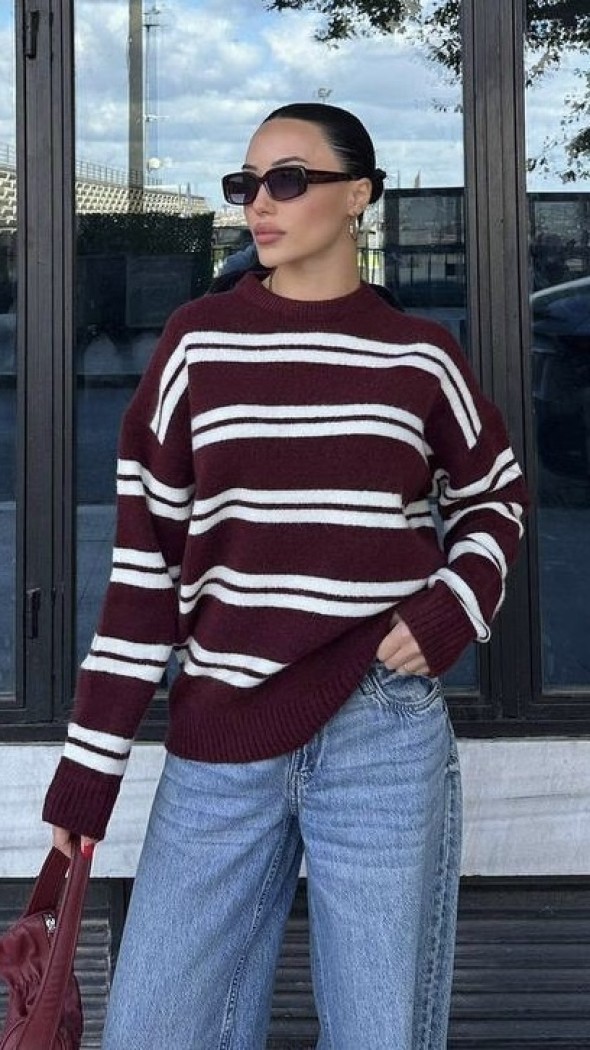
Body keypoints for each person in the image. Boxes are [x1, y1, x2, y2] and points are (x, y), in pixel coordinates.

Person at [43, 102, 528, 1049]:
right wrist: (87, 772)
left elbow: (495, 500)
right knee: (156, 1029)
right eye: (246, 184)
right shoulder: (197, 345)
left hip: (380, 728)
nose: (258, 203)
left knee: (379, 1032)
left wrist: (450, 610)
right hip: (221, 729)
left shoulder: (421, 356)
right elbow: (144, 574)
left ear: (358, 195)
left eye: (289, 180)